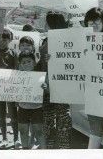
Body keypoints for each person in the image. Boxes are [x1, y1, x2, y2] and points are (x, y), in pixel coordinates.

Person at [38, 11, 72, 149]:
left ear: (52, 24)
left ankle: (62, 146)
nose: (44, 24)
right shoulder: (46, 40)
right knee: (49, 116)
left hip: (60, 83)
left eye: (47, 22)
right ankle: (52, 145)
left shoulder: (65, 40)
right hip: (46, 83)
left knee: (61, 116)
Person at [0, 28, 21, 150]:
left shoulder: (14, 54)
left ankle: (16, 139)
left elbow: (17, 69)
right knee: (1, 114)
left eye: (5, 40)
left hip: (10, 88)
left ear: (10, 40)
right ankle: (4, 138)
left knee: (13, 114)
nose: (2, 42)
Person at [83, 7, 103, 149]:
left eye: (97, 20)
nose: (93, 24)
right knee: (95, 128)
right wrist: (54, 60)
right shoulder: (82, 41)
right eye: (90, 21)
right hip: (93, 90)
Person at [17, 52, 46, 149]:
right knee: (23, 130)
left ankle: (44, 151)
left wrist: (44, 87)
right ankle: (25, 150)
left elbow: (46, 90)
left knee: (39, 130)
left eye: (29, 61)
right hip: (22, 107)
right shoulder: (17, 77)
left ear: (34, 62)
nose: (26, 64)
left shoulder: (40, 76)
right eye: (23, 62)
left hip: (37, 108)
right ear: (20, 64)